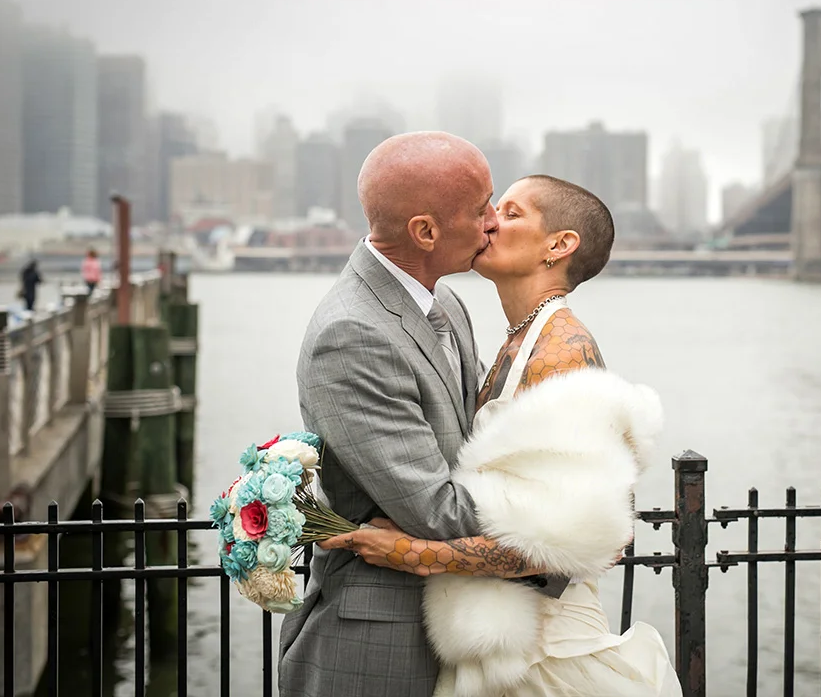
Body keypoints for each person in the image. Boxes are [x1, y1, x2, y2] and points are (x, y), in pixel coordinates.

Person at [321, 175, 681, 697]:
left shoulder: (563, 351)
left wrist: (409, 553)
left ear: (559, 245)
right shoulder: (516, 337)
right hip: (498, 646)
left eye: (511, 213)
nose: (490, 222)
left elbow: (573, 546)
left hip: (545, 651)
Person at [278, 132, 563, 697]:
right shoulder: (352, 334)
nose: (492, 222)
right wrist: (563, 523)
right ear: (425, 232)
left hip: (462, 630)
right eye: (480, 208)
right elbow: (437, 512)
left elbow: (478, 443)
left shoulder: (446, 302)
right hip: (381, 645)